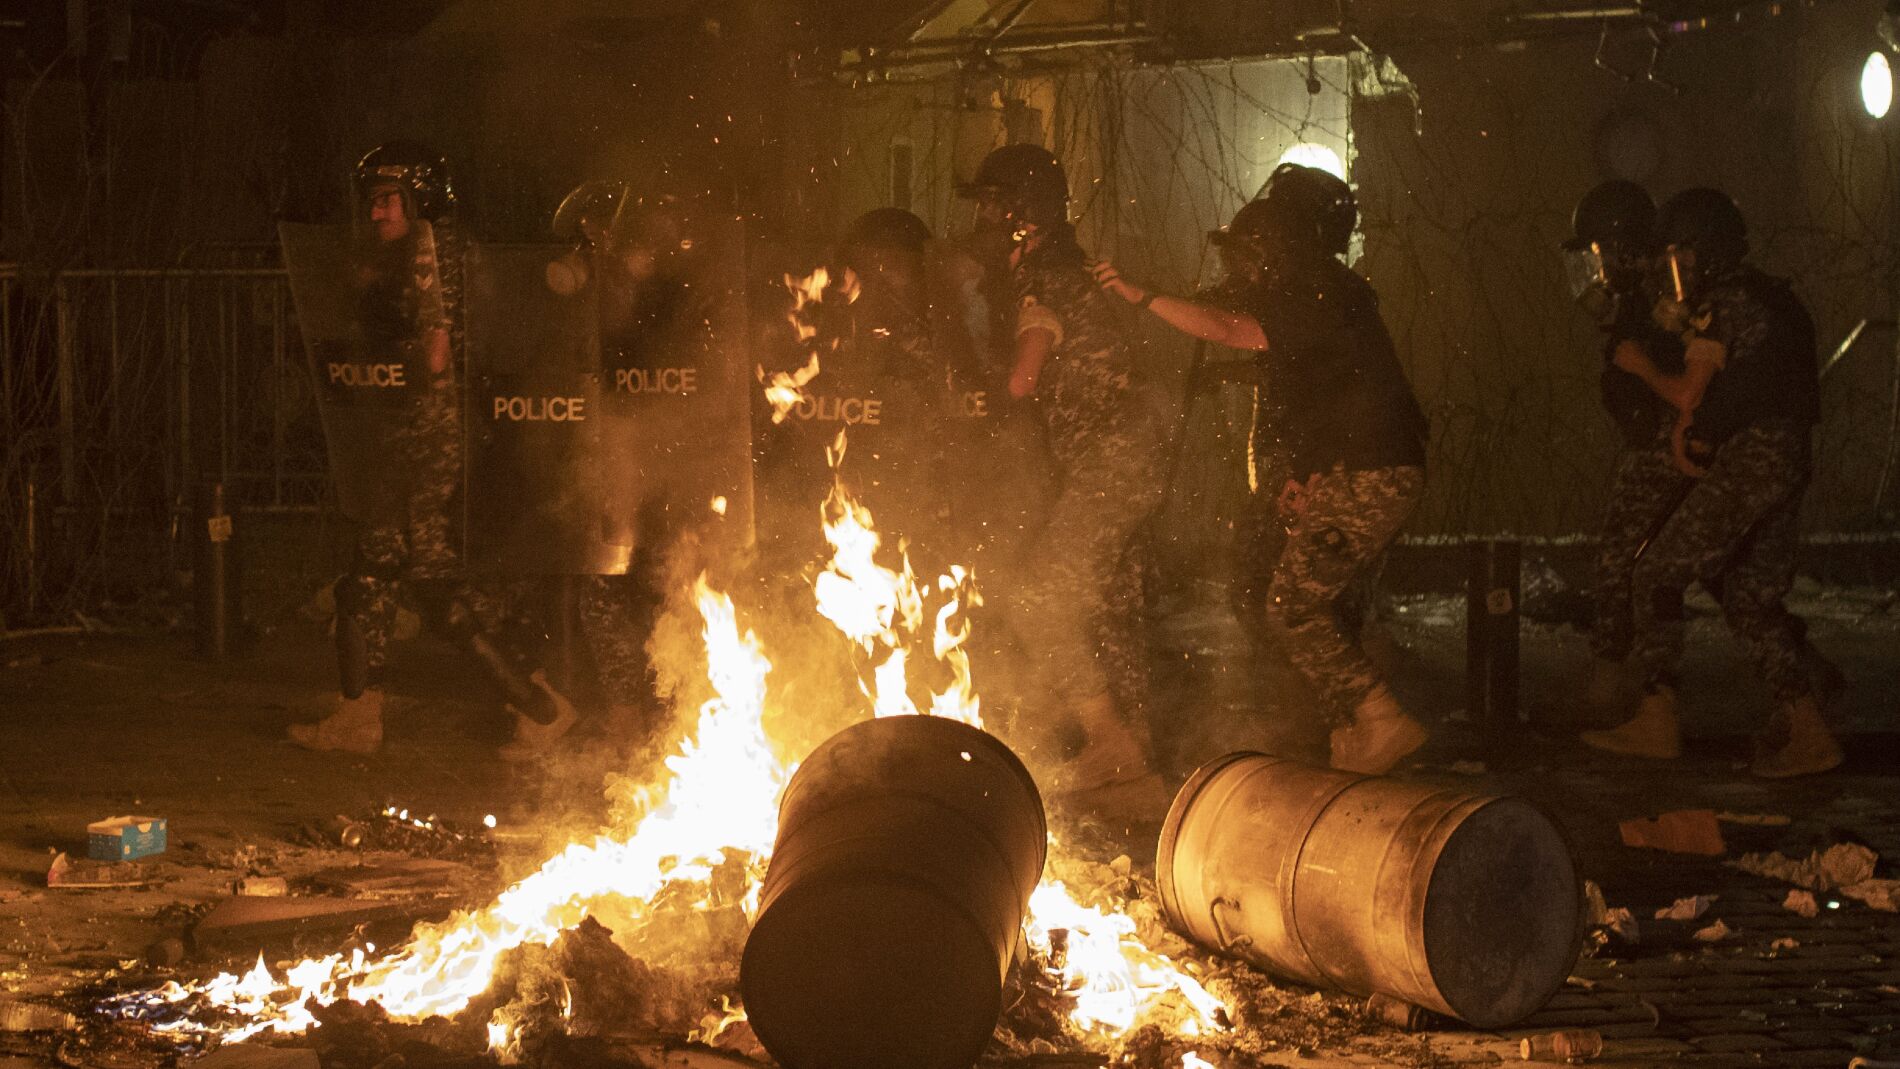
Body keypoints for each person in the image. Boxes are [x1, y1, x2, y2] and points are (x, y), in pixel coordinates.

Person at [1093, 163, 1430, 775]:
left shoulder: (1315, 292)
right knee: (1295, 600)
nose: (1239, 272)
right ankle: (1353, 729)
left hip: (1375, 472)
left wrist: (1143, 296)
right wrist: (1308, 475)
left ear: (1275, 255)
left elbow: (1231, 330)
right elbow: (1327, 395)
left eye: (1248, 258)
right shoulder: (1316, 291)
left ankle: (1381, 719)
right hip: (1358, 467)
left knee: (1294, 605)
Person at [290, 142, 573, 756]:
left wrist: (386, 358)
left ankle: (538, 707)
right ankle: (367, 712)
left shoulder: (426, 248)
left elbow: (436, 351)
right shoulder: (452, 248)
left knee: (411, 581)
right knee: (396, 578)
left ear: (418, 199)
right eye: (373, 202)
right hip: (432, 438)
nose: (376, 213)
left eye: (388, 199)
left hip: (427, 441)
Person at [1581, 188, 1843, 777]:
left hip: (1751, 459)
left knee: (1655, 572)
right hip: (1784, 459)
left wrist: (1640, 365)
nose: (1677, 269)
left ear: (1711, 252)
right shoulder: (1765, 298)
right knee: (1749, 595)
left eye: (1685, 255)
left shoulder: (1727, 301)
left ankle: (1657, 715)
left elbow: (1688, 393)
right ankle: (1807, 727)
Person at [959, 144, 1167, 795]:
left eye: (991, 205)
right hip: (1131, 461)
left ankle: (1109, 741)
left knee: (1039, 597)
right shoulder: (1070, 268)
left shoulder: (1044, 278)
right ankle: (1134, 765)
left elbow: (1022, 379)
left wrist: (981, 385)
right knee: (1109, 609)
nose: (983, 219)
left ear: (1022, 214)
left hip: (1109, 465)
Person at [1563, 179, 1695, 722]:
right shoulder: (1646, 290)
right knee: (1722, 570)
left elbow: (1684, 360)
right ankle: (1804, 676)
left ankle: (1616, 683)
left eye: (1600, 254)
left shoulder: (1663, 289)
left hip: (1666, 441)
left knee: (1622, 558)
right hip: (1664, 437)